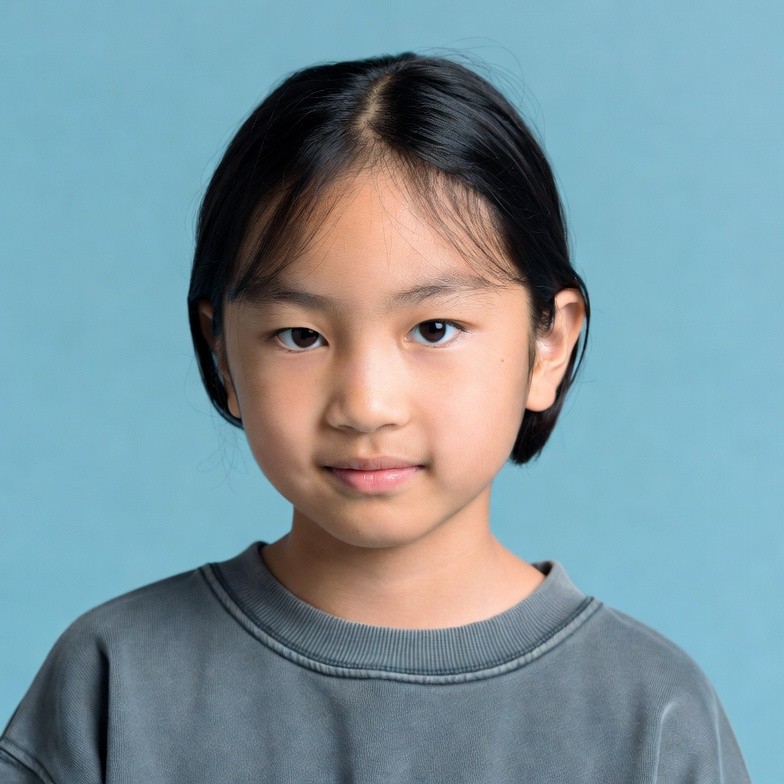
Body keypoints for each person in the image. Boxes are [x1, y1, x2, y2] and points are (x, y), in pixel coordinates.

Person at [0, 52, 750, 783]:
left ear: (548, 345)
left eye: (434, 329)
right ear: (222, 352)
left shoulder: (652, 716)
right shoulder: (115, 683)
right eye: (301, 336)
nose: (365, 406)